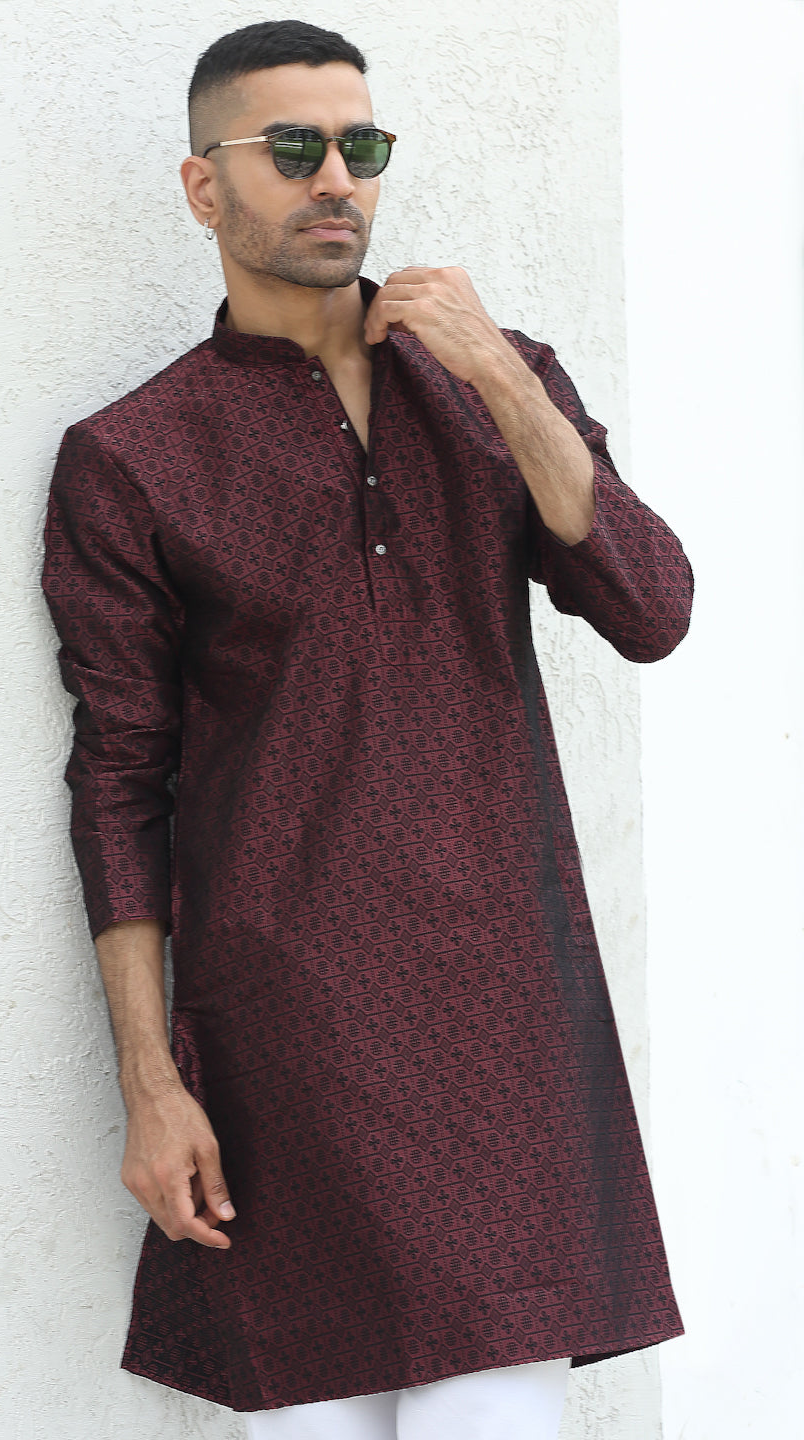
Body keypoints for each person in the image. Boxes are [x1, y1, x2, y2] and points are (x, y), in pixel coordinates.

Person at [41, 19, 690, 1439]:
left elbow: (651, 607)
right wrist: (150, 1082)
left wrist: (500, 376)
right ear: (204, 187)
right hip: (280, 1049)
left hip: (505, 1021)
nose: (335, 177)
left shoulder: (492, 379)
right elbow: (119, 788)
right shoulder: (134, 456)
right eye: (292, 148)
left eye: (361, 146)